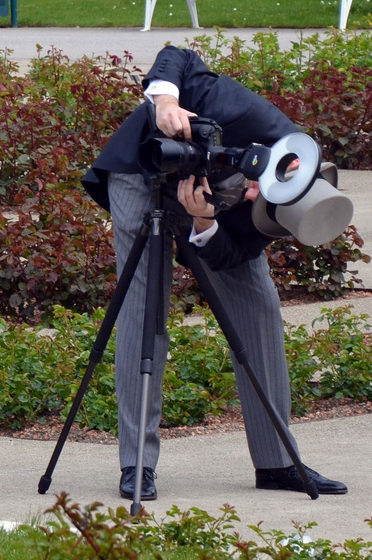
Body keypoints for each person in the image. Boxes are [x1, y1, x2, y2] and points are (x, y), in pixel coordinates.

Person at [81, 45, 348, 502]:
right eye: (256, 192)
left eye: (262, 208)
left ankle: (278, 462)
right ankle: (137, 465)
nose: (250, 201)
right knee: (145, 310)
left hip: (202, 210)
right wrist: (164, 101)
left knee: (260, 307)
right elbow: (178, 57)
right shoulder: (248, 114)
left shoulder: (273, 214)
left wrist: (204, 222)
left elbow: (231, 254)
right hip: (143, 168)